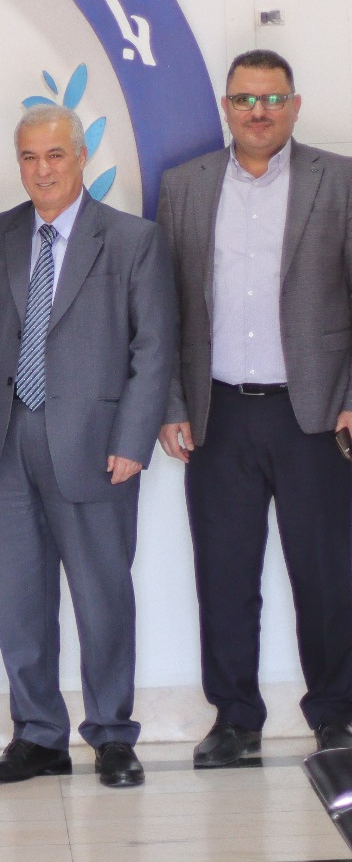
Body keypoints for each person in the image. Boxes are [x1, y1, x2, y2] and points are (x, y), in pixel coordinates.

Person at [0, 104, 176, 787]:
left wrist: (134, 439)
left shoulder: (132, 239)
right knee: (19, 602)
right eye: (29, 157)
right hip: (8, 441)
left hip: (98, 446)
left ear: (81, 157)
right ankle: (38, 736)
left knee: (103, 598)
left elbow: (153, 349)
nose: (42, 170)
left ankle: (112, 735)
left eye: (54, 155)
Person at [157, 49, 352, 766]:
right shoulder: (185, 185)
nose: (259, 112)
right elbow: (165, 307)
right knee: (225, 576)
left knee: (326, 576)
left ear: (295, 105)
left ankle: (337, 714)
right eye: (245, 99)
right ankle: (236, 720)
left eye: (272, 98)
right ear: (226, 107)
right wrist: (172, 402)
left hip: (316, 414)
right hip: (218, 414)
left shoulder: (340, 180)